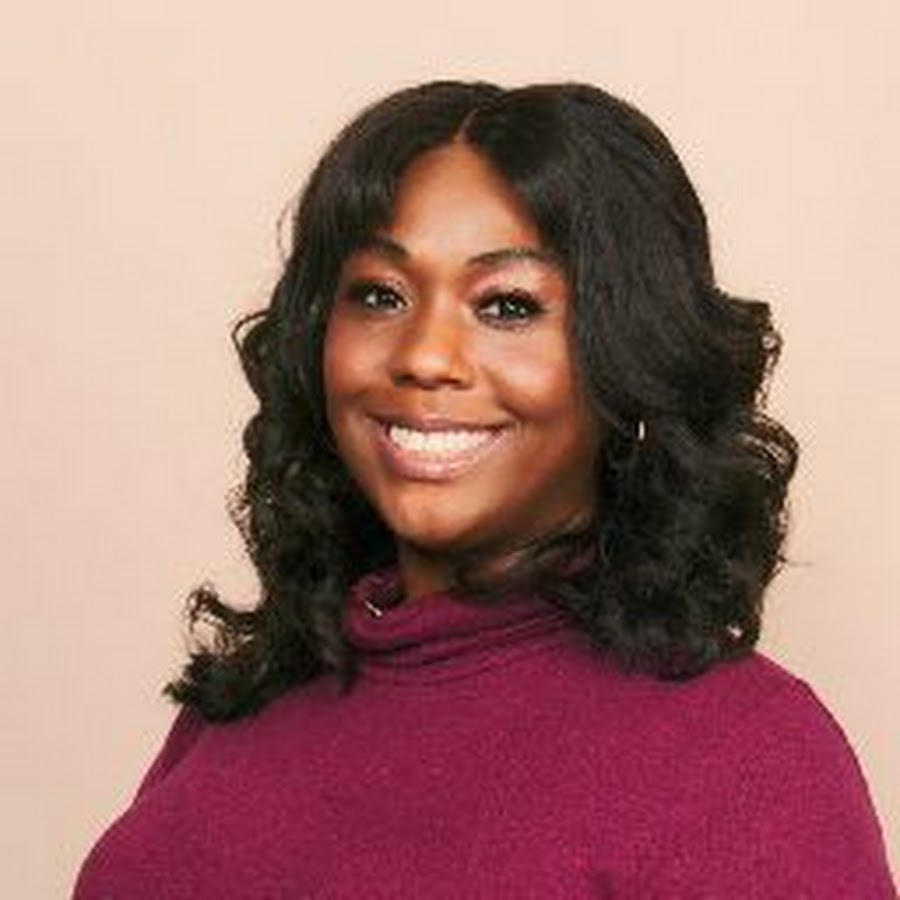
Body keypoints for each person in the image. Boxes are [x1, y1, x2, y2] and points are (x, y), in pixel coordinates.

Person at [74, 81, 895, 898]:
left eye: (506, 306)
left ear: (631, 356)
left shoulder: (743, 760)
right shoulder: (243, 705)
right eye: (380, 295)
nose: (425, 356)